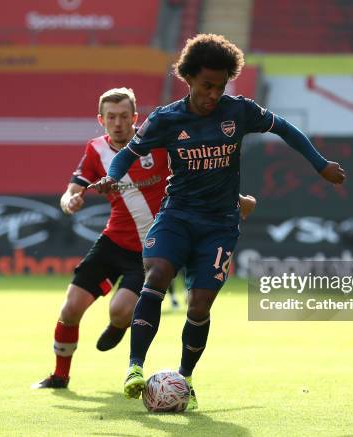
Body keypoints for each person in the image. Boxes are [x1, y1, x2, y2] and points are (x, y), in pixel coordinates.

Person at [91, 34, 346, 409]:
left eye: (220, 85)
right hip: (176, 215)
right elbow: (127, 154)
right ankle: (135, 367)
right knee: (157, 273)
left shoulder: (238, 111)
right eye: (207, 85)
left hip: (220, 224)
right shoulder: (166, 119)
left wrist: (320, 164)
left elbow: (286, 129)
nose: (213, 94)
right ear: (188, 78)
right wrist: (113, 176)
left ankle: (185, 379)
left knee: (199, 306)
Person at [33, 87, 257, 389]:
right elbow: (71, 190)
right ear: (101, 119)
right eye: (111, 117)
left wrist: (236, 198)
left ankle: (118, 325)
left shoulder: (159, 140)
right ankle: (60, 376)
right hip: (113, 242)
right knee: (70, 308)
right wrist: (69, 201)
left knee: (121, 311)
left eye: (124, 116)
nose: (118, 123)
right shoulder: (94, 150)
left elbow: (199, 176)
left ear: (135, 117)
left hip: (151, 249)